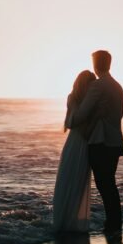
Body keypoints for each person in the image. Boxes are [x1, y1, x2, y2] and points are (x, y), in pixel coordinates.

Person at [71, 49, 123, 231]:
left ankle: (113, 224)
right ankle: (114, 222)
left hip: (100, 141)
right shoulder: (117, 86)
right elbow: (120, 115)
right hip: (115, 141)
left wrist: (71, 117)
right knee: (109, 184)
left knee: (104, 185)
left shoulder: (98, 86)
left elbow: (82, 114)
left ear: (95, 65)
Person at [52, 70, 95, 232]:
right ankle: (65, 221)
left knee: (78, 182)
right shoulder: (73, 98)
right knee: (68, 179)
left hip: (83, 142)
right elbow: (70, 122)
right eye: (90, 83)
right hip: (76, 142)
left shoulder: (91, 100)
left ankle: (72, 221)